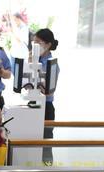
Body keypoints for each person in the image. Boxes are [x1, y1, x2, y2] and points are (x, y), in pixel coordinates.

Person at [33, 29, 60, 164]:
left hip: (46, 107)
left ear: (48, 45)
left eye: (38, 42)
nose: (35, 46)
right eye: (34, 42)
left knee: (46, 142)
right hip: (33, 104)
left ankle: (47, 167)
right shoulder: (34, 59)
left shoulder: (52, 63)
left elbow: (49, 90)